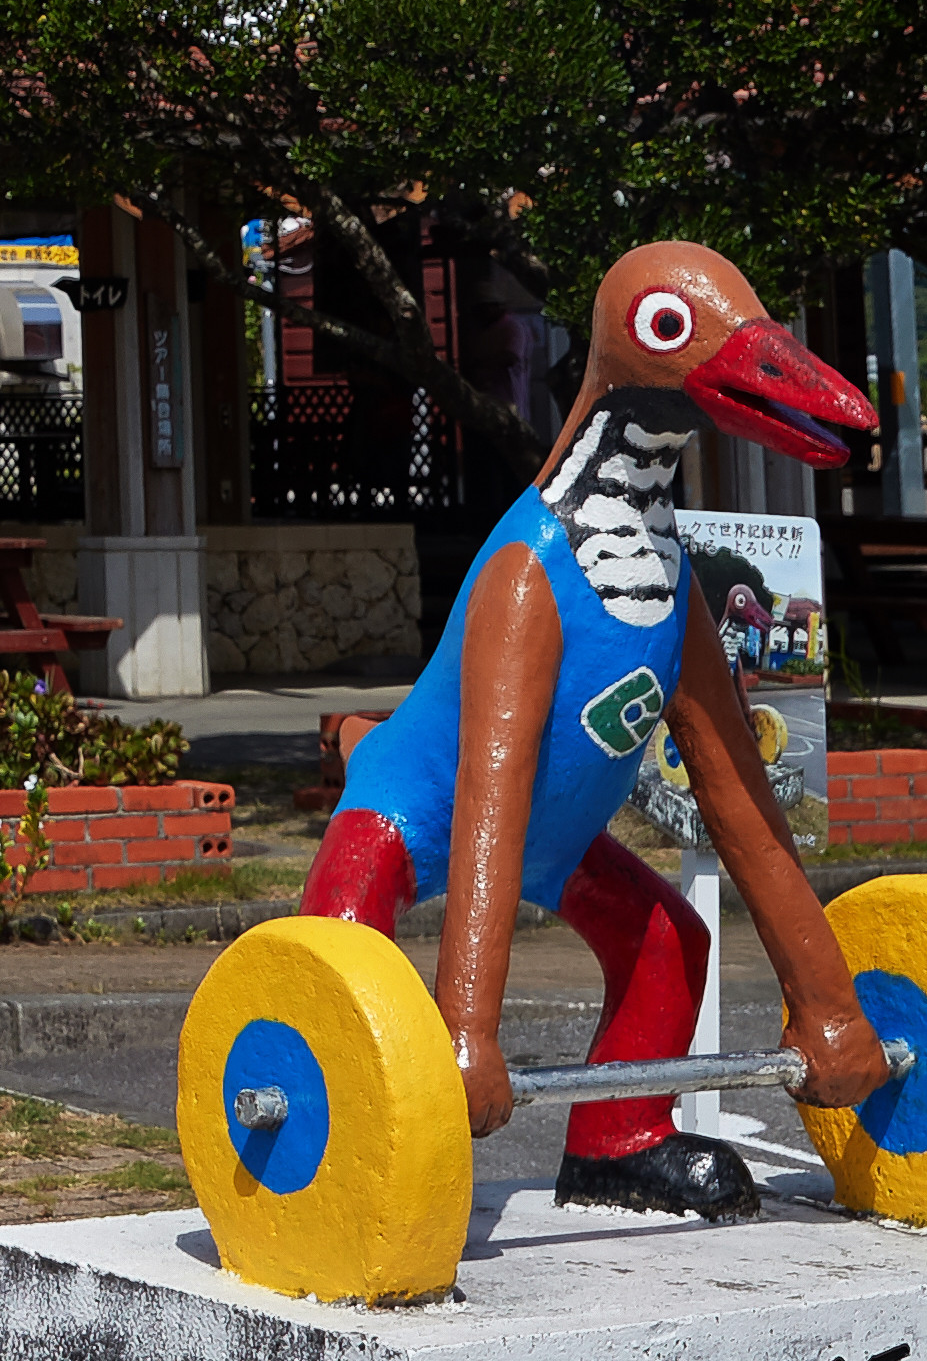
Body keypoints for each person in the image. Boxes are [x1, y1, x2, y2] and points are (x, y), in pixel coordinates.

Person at [315, 241, 896, 1221]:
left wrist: (826, 1000)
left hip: (554, 837)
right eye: (676, 329)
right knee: (336, 953)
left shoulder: (671, 586)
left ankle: (618, 1136)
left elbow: (738, 794)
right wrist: (467, 1026)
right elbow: (485, 795)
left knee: (667, 940)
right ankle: (341, 1147)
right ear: (632, 350)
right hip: (410, 811)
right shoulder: (528, 570)